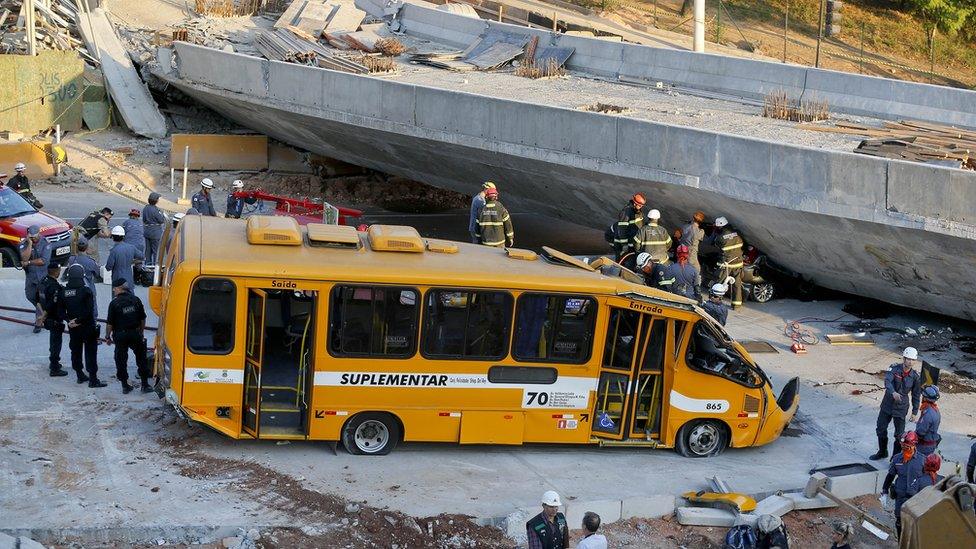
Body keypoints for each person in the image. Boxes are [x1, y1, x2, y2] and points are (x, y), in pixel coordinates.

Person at [870, 347, 923, 460]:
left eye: (912, 360)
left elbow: (916, 395)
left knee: (899, 435)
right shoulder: (894, 369)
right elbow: (887, 381)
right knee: (881, 428)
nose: (910, 362)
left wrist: (914, 412)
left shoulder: (915, 377)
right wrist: (893, 392)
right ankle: (882, 451)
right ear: (904, 358)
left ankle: (895, 458)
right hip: (888, 404)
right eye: (908, 359)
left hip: (901, 407)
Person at [61, 264, 105, 387]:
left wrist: (69, 321)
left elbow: (60, 310)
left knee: (75, 350)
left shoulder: (64, 292)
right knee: (90, 352)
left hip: (73, 328)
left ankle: (80, 375)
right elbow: (89, 310)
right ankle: (93, 379)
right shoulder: (86, 291)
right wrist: (79, 320)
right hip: (87, 327)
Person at [105, 278, 151, 394]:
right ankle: (145, 384)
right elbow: (142, 318)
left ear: (119, 288)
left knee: (120, 359)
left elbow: (109, 323)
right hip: (135, 333)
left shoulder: (114, 303)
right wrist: (141, 332)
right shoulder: (135, 300)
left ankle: (125, 385)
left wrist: (107, 336)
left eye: (114, 289)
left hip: (120, 335)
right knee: (141, 358)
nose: (113, 291)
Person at [881, 431, 924, 537]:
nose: (904, 448)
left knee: (915, 522)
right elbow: (890, 476)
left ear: (914, 445)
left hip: (916, 498)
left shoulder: (922, 460)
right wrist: (885, 491)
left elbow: (927, 479)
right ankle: (901, 543)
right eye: (902, 446)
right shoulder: (897, 459)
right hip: (900, 496)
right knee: (899, 521)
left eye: (907, 446)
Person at [19, 224, 51, 333]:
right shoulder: (25, 243)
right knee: (30, 295)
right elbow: (24, 257)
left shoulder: (46, 243)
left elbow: (43, 261)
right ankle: (44, 311)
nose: (34, 238)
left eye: (35, 236)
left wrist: (28, 262)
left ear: (39, 233)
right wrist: (30, 243)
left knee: (41, 299)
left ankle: (39, 322)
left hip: (43, 276)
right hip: (31, 277)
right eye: (31, 236)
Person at [38, 263, 68, 377]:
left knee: (53, 341)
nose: (59, 272)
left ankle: (53, 363)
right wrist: (44, 316)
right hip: (54, 318)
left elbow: (38, 299)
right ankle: (54, 368)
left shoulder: (43, 281)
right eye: (59, 270)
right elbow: (52, 304)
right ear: (56, 271)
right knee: (56, 343)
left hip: (47, 317)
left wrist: (41, 314)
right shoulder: (53, 286)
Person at [709, 216, 745, 309]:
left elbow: (712, 243)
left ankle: (713, 301)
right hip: (738, 263)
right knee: (737, 284)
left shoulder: (720, 238)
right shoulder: (737, 233)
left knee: (719, 282)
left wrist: (714, 232)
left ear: (720, 227)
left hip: (726, 264)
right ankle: (736, 305)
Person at [64, 238, 101, 318]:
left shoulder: (71, 259)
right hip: (88, 288)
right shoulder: (91, 262)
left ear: (77, 247)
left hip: (75, 290)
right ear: (87, 247)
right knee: (92, 307)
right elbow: (97, 274)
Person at [105, 225, 144, 290]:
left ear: (113, 237)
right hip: (129, 278)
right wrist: (132, 262)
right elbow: (142, 257)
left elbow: (108, 267)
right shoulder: (131, 247)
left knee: (118, 298)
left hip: (117, 279)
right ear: (123, 237)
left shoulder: (114, 250)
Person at [612, 193, 645, 260]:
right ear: (635, 203)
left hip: (632, 244)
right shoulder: (626, 212)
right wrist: (624, 245)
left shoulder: (636, 211)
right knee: (623, 263)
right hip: (623, 245)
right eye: (640, 205)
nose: (641, 207)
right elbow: (622, 230)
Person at [678, 210, 706, 288]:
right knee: (696, 268)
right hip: (691, 251)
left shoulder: (685, 226)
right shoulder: (699, 231)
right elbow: (701, 238)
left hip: (682, 248)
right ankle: (691, 285)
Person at [915, 385, 941, 456]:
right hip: (930, 444)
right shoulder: (935, 410)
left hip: (923, 447)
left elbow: (920, 432)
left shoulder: (928, 414)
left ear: (925, 398)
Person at [142, 192, 167, 266]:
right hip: (155, 233)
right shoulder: (156, 210)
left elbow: (144, 219)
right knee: (156, 251)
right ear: (156, 200)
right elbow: (161, 220)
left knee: (148, 252)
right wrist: (162, 214)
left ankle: (147, 266)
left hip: (147, 232)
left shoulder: (145, 208)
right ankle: (156, 267)